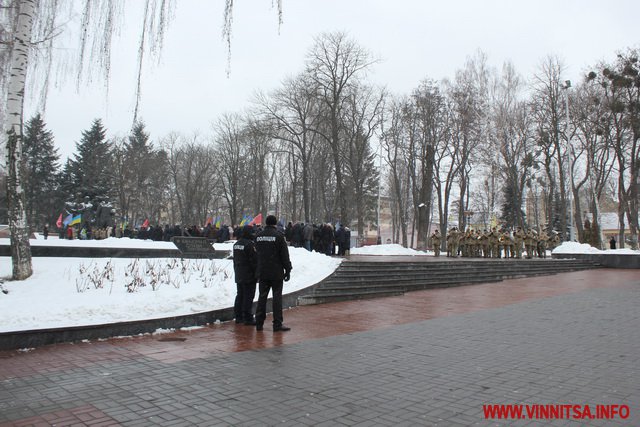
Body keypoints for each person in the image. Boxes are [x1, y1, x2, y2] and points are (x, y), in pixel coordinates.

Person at [255, 215, 293, 332]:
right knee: (277, 298)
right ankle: (277, 323)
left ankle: (259, 322)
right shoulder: (279, 236)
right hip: (276, 272)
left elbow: (256, 254)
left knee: (262, 297)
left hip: (262, 271)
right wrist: (288, 269)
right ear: (275, 223)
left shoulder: (258, 236)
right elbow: (284, 256)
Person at [232, 226, 258, 325]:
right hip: (249, 274)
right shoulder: (250, 245)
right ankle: (248, 317)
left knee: (240, 295)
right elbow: (254, 261)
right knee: (248, 296)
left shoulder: (236, 244)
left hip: (239, 273)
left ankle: (238, 316)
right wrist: (257, 273)